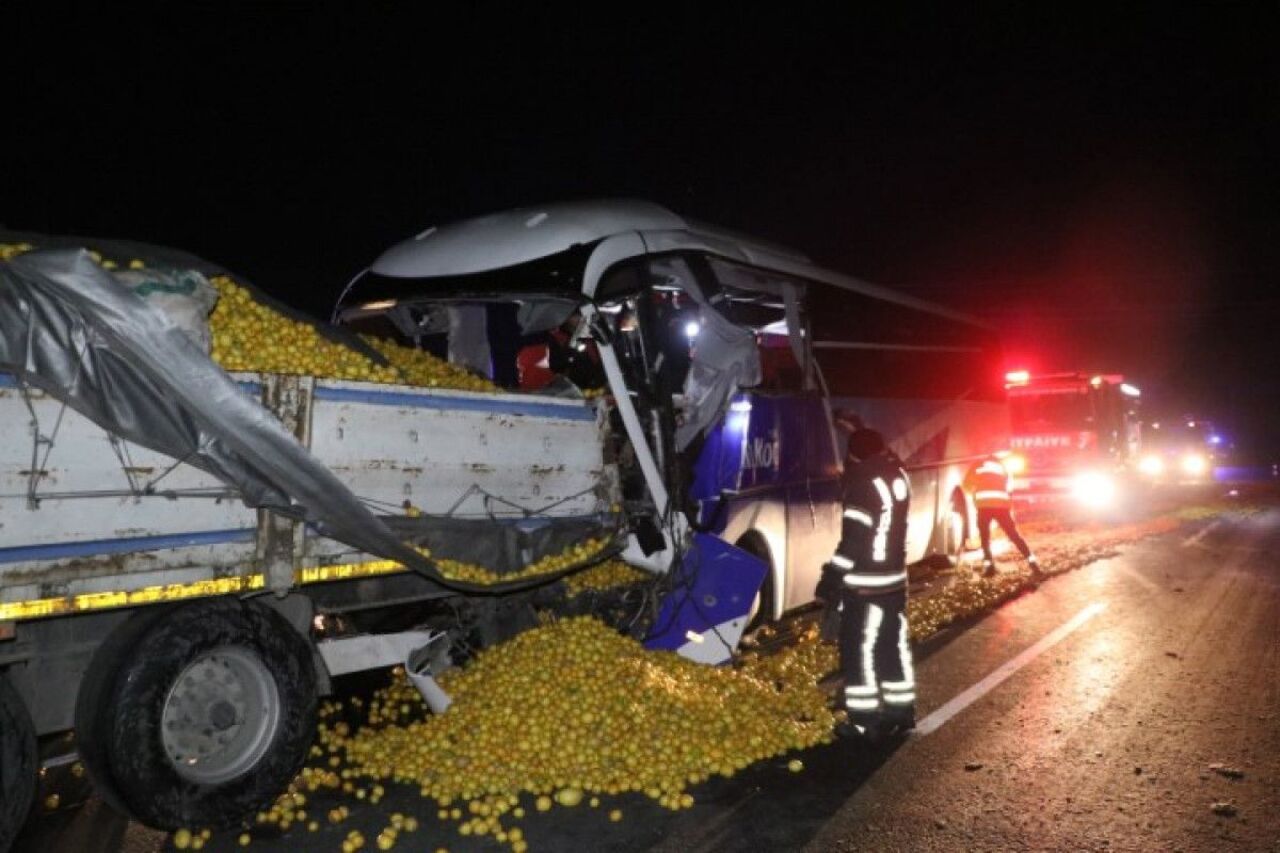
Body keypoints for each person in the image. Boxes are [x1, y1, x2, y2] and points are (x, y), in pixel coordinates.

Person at [819, 427, 915, 739]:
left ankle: (862, 720)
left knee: (857, 650)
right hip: (895, 580)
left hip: (865, 582)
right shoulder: (898, 476)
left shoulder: (861, 484)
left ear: (853, 454)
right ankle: (900, 711)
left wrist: (831, 578)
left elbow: (853, 542)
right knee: (890, 645)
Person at [964, 454, 1042, 579]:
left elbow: (966, 486)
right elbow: (1010, 488)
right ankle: (1033, 564)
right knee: (1014, 536)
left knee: (985, 538)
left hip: (984, 507)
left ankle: (989, 568)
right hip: (1002, 507)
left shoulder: (977, 465)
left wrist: (976, 493)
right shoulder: (1002, 466)